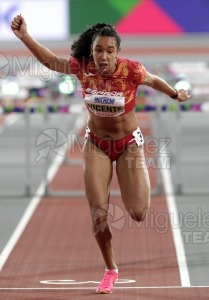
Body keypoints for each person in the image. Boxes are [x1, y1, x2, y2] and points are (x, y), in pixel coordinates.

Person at [11, 15, 191, 294]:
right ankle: (110, 269)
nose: (103, 56)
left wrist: (174, 94)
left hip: (129, 144)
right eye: (98, 50)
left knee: (139, 213)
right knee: (98, 215)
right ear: (91, 51)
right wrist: (25, 36)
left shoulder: (131, 70)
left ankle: (131, 201)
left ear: (117, 52)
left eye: (109, 51)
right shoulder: (83, 68)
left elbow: (154, 80)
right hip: (96, 144)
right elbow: (50, 62)